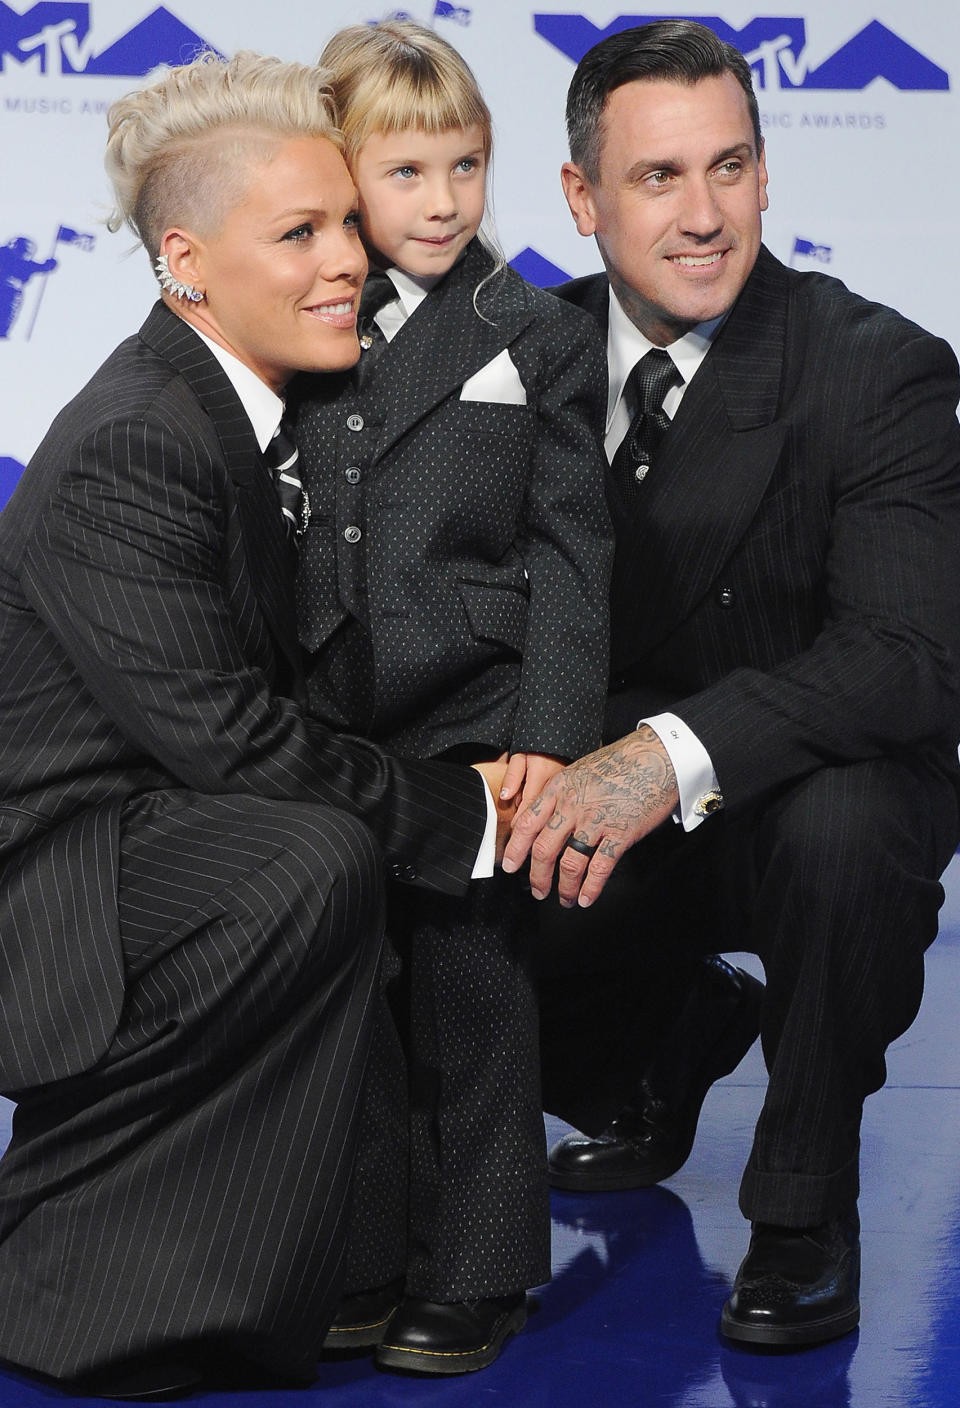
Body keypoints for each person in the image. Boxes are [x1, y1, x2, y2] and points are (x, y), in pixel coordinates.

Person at [0, 51, 511, 1400]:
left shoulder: (272, 408)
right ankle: (76, 1287)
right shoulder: (139, 435)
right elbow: (231, 738)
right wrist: (479, 817)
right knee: (315, 855)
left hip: (156, 838)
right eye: (300, 232)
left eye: (347, 221)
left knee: (362, 852)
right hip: (56, 886)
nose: (350, 258)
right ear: (188, 261)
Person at [504, 19, 960, 1348]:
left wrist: (666, 754)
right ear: (584, 198)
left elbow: (911, 658)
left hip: (795, 794)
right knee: (432, 832)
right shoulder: (516, 358)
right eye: (659, 179)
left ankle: (805, 1210)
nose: (706, 216)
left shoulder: (875, 365)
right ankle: (672, 1033)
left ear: (766, 172)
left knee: (847, 833)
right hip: (595, 799)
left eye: (733, 166)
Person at [293, 20, 611, 1375]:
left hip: (477, 711)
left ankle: (478, 1269)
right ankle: (361, 1256)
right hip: (330, 711)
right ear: (344, 176)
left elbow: (570, 551)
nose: (441, 200)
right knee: (347, 983)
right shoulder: (300, 311)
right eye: (407, 170)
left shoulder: (530, 330)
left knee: (477, 980)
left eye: (465, 166)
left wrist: (549, 735)